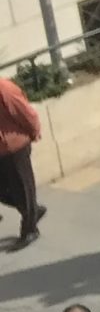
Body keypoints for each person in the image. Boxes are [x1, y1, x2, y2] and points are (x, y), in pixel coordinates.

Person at [0, 67, 44, 249]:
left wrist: (34, 132)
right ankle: (32, 209)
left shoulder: (4, 88)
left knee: (23, 187)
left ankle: (30, 230)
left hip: (14, 147)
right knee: (4, 191)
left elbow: (25, 112)